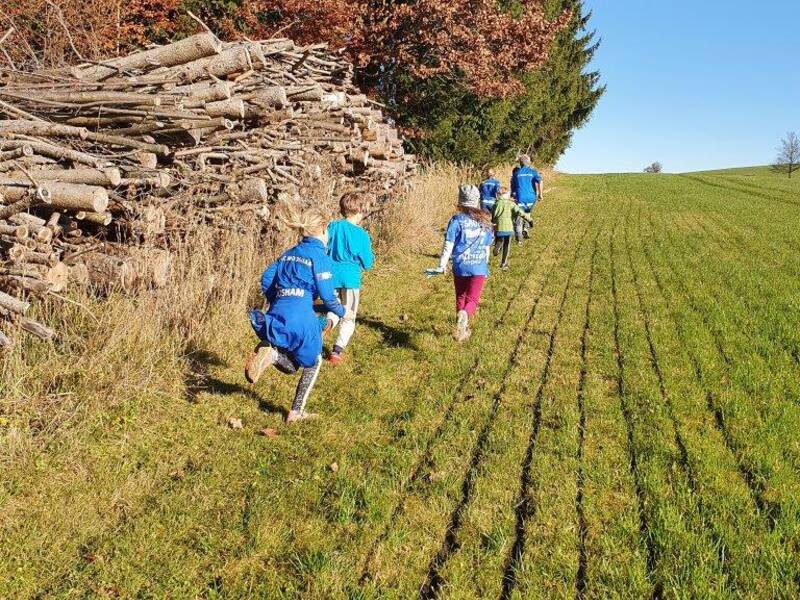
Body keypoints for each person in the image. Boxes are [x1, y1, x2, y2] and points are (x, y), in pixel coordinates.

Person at [245, 206, 353, 424]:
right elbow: (327, 295)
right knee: (313, 361)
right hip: (301, 319)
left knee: (294, 363)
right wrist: (344, 312)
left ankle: (272, 355)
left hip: (277, 314)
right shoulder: (319, 257)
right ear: (323, 229)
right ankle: (296, 412)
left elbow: (266, 278)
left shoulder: (289, 253)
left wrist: (278, 300)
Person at [429, 185, 494, 342]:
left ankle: (460, 329)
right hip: (478, 266)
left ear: (460, 202)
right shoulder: (484, 221)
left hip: (460, 265)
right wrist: (486, 264)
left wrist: (442, 265)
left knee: (461, 296)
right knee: (472, 299)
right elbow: (486, 247)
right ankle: (465, 316)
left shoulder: (456, 220)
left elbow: (448, 244)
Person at [324, 191, 375, 364]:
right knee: (349, 316)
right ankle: (337, 351)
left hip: (331, 277)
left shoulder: (332, 226)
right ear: (360, 210)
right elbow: (367, 263)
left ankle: (328, 323)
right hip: (351, 280)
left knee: (334, 307)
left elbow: (323, 246)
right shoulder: (362, 235)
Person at [492, 187, 532, 270]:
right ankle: (504, 264)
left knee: (499, 240)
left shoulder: (495, 204)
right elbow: (520, 212)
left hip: (498, 228)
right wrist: (529, 219)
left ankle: (497, 248)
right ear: (507, 195)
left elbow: (494, 215)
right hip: (509, 228)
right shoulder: (511, 204)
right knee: (506, 245)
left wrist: (493, 222)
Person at [510, 154, 543, 243]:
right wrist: (540, 194)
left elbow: (513, 188)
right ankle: (526, 228)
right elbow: (540, 181)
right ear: (529, 162)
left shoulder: (516, 173)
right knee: (527, 213)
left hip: (520, 197)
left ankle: (519, 237)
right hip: (531, 198)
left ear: (520, 163)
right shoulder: (533, 171)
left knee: (519, 216)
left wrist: (512, 197)